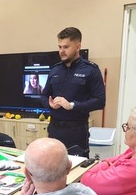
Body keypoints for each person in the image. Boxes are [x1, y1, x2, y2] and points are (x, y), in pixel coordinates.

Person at [41, 27, 105, 157]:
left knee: (77, 172)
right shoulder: (55, 70)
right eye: (59, 47)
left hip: (77, 131)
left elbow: (100, 101)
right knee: (52, 168)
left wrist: (72, 105)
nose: (61, 51)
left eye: (66, 47)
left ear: (78, 46)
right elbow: (43, 95)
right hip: (54, 129)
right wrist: (50, 104)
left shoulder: (91, 70)